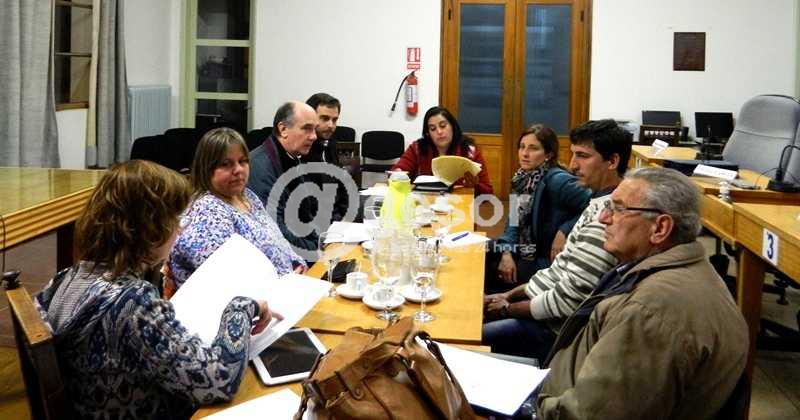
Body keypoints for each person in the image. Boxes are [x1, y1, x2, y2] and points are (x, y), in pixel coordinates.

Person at [35, 160, 281, 418]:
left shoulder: (65, 279)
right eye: (176, 219)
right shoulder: (133, 304)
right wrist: (241, 308)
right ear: (149, 226)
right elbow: (218, 380)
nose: (180, 229)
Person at [537, 167, 748, 419]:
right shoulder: (684, 269)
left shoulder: (650, 311)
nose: (603, 218)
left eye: (618, 209)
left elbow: (592, 415)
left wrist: (532, 408)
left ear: (660, 228)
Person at [482, 119, 631, 363]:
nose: (573, 165)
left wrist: (507, 307)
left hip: (553, 331)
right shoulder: (521, 180)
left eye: (582, 156)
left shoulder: (605, 216)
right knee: (484, 253)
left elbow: (566, 300)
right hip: (539, 272)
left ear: (612, 161)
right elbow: (515, 226)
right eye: (522, 147)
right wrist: (508, 292)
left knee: (466, 338)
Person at [169, 127, 306, 289]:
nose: (238, 170)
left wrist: (297, 263)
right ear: (206, 169)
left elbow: (278, 240)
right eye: (226, 164)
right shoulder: (206, 211)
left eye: (243, 161)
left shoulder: (247, 196)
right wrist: (284, 284)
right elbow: (228, 281)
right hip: (243, 301)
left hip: (284, 289)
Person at [485, 124, 591, 293]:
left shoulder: (558, 180)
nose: (525, 154)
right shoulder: (521, 179)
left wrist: (564, 230)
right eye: (522, 147)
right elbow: (513, 223)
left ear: (548, 154)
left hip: (544, 259)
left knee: (488, 270)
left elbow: (595, 204)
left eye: (533, 148)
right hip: (525, 248)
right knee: (477, 250)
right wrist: (506, 253)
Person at [248, 101, 322, 258]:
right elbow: (276, 233)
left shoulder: (291, 157)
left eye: (315, 129)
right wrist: (318, 251)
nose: (314, 136)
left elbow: (306, 213)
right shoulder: (259, 167)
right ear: (283, 129)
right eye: (307, 128)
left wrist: (323, 241)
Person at [392, 106, 493, 195]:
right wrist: (398, 174)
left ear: (452, 126)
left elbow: (487, 191)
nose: (439, 132)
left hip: (459, 205)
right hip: (424, 204)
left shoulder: (469, 150)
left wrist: (474, 185)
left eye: (443, 126)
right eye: (433, 129)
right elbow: (399, 169)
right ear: (428, 134)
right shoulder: (417, 148)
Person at [303, 92, 350, 222]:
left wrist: (344, 217)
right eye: (324, 118)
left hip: (336, 219)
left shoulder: (330, 144)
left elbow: (341, 185)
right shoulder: (301, 150)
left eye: (335, 120)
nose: (331, 125)